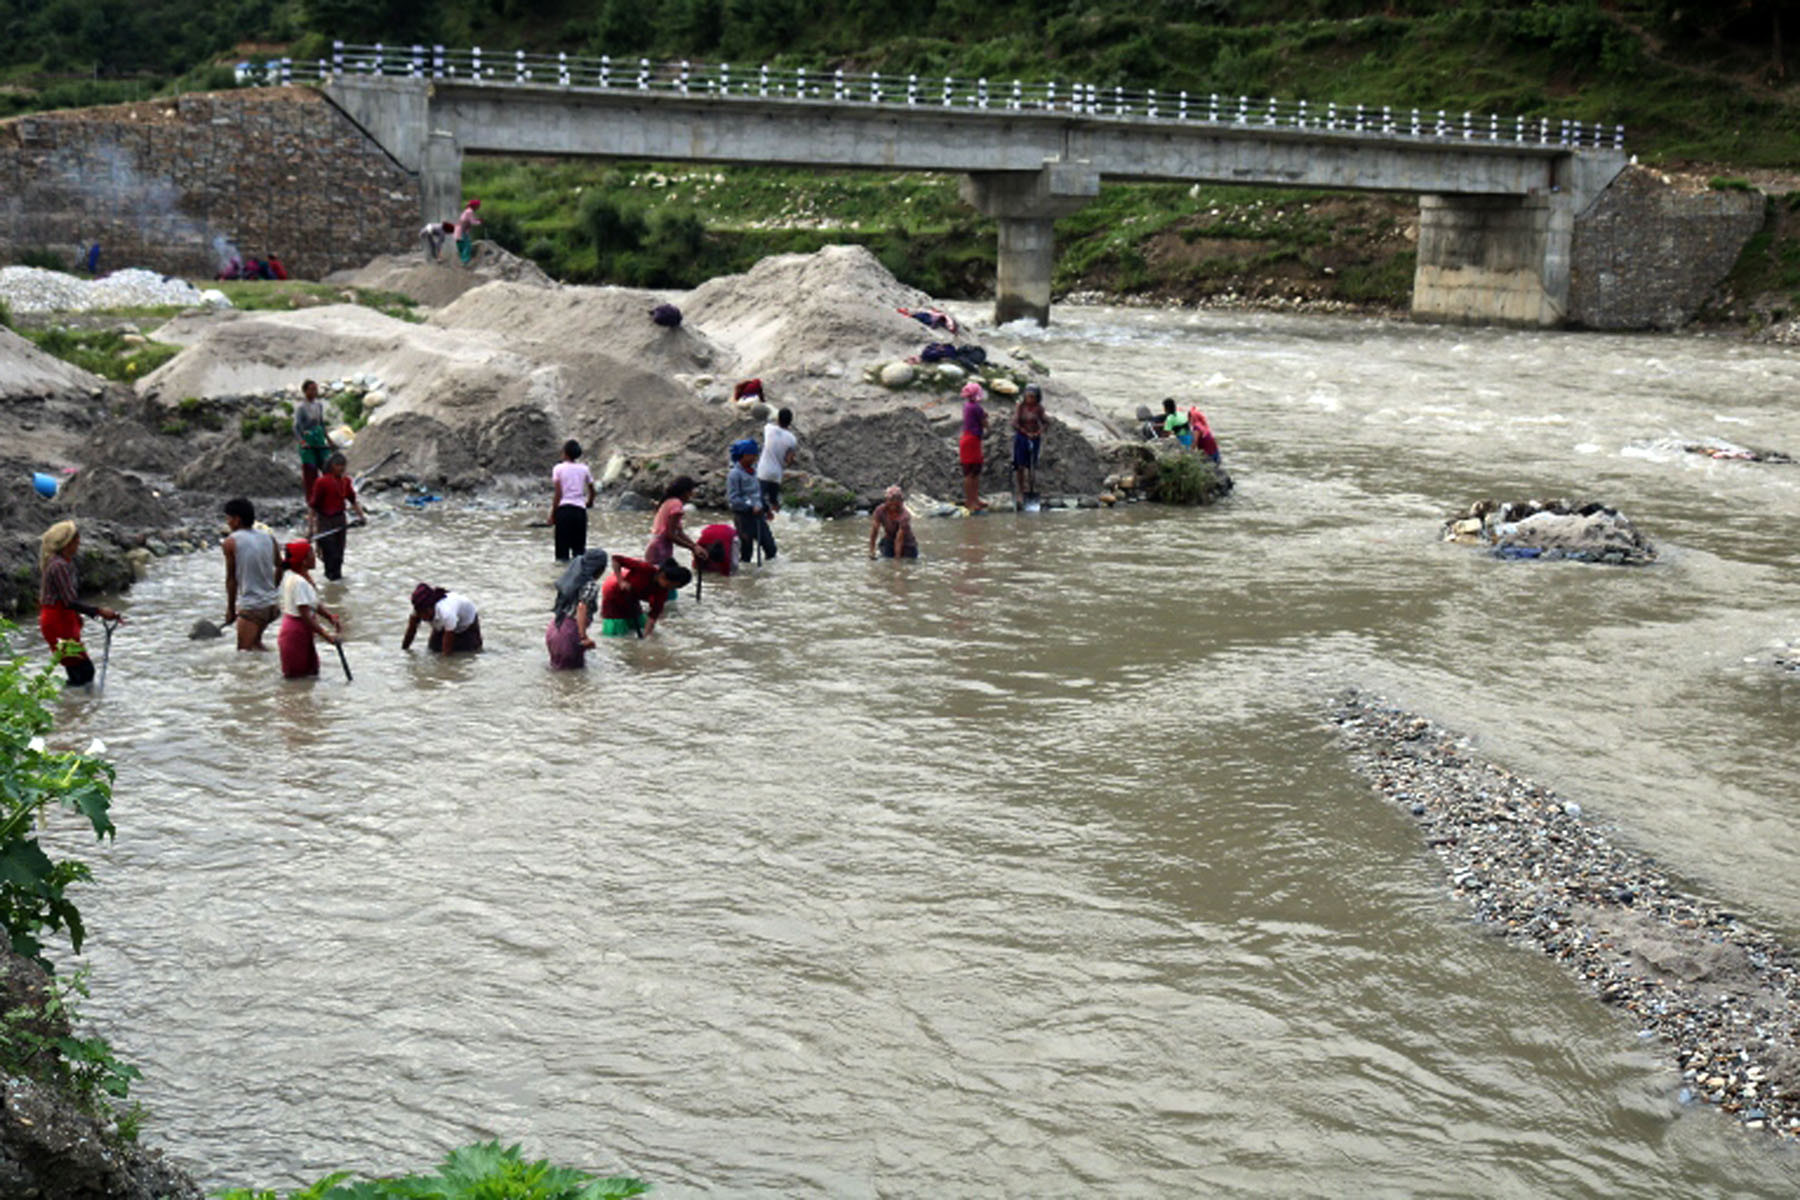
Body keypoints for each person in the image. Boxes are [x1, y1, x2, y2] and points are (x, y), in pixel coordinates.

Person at [37, 521, 123, 686]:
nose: (79, 545)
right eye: (77, 541)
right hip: (58, 621)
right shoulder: (59, 566)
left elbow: (63, 598)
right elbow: (69, 601)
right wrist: (99, 611)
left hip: (59, 618)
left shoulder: (59, 562)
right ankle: (75, 707)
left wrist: (77, 615)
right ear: (67, 543)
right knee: (84, 671)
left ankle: (71, 708)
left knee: (76, 671)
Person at [221, 497, 283, 651]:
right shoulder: (269, 537)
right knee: (256, 647)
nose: (227, 523)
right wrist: (272, 589)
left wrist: (230, 609)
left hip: (252, 608)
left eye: (228, 518)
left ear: (237, 520)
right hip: (272, 606)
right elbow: (281, 566)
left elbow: (231, 579)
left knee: (244, 656)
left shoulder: (230, 542)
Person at [277, 540, 340, 679]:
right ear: (303, 561)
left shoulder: (301, 578)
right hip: (295, 632)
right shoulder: (299, 582)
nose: (315, 557)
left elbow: (313, 603)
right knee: (297, 678)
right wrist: (326, 635)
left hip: (300, 630)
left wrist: (329, 617)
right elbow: (305, 615)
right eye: (311, 554)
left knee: (309, 674)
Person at [307, 452, 366, 582]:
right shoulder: (321, 482)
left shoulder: (346, 481)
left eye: (343, 465)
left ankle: (335, 585)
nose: (341, 468)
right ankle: (331, 579)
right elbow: (313, 506)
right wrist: (311, 529)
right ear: (331, 466)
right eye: (338, 465)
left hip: (340, 521)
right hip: (325, 522)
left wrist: (362, 517)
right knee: (330, 555)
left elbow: (353, 500)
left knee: (339, 556)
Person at [546, 548, 609, 669]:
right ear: (600, 569)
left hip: (554, 629)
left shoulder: (572, 581)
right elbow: (582, 607)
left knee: (557, 675)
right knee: (572, 679)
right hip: (568, 634)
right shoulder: (590, 585)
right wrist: (583, 637)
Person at [599, 556, 691, 638]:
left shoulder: (662, 592)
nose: (670, 589)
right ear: (662, 576)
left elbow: (652, 617)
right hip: (614, 588)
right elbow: (616, 559)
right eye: (670, 585)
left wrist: (645, 638)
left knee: (639, 624)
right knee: (618, 630)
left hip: (632, 595)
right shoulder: (645, 569)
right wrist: (621, 581)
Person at [727, 440, 777, 565]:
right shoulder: (734, 474)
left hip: (758, 516)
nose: (755, 457)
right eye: (752, 455)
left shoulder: (755, 471)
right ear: (743, 456)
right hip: (743, 518)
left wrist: (766, 509)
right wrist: (750, 507)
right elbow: (733, 499)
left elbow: (758, 493)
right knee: (746, 552)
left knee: (770, 548)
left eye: (755, 455)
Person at [549, 439, 597, 562]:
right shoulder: (584, 469)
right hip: (579, 512)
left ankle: (562, 577)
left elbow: (558, 494)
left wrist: (553, 514)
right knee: (579, 552)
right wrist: (589, 502)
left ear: (565, 453)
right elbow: (592, 490)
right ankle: (578, 577)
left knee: (562, 554)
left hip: (564, 512)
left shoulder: (558, 468)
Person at [402, 584, 483, 654]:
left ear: (432, 606)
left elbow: (447, 650)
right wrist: (404, 650)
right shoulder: (418, 610)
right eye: (420, 614)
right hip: (445, 623)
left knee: (470, 652)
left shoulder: (446, 612)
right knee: (433, 650)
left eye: (425, 613)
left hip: (467, 624)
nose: (423, 617)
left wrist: (445, 667)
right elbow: (411, 631)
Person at [645, 476, 702, 570]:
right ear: (685, 492)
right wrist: (692, 548)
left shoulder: (669, 501)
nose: (692, 494)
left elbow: (679, 532)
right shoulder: (677, 505)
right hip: (660, 549)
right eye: (691, 491)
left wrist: (695, 546)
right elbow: (670, 535)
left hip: (655, 546)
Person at [294, 380, 334, 499]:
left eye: (315, 389)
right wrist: (302, 442)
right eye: (311, 389)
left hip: (319, 439)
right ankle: (312, 501)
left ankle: (327, 495)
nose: (314, 392)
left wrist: (329, 439)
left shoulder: (318, 405)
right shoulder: (301, 408)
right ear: (305, 391)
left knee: (327, 467)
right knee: (310, 472)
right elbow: (296, 427)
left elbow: (321, 423)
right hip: (308, 442)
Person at [757, 407, 798, 514]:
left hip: (763, 472)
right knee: (773, 500)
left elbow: (767, 416)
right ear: (790, 421)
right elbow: (789, 460)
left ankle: (767, 514)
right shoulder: (792, 439)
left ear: (778, 419)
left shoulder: (769, 429)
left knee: (759, 497)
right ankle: (777, 516)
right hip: (776, 474)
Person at [1012, 383, 1047, 507]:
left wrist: (1038, 432)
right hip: (1022, 437)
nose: (1030, 399)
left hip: (1035, 438)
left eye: (1032, 397)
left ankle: (1031, 489)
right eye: (1028, 396)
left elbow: (1046, 422)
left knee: (1031, 466)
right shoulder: (1020, 407)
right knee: (1020, 465)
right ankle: (1021, 491)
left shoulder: (1039, 408)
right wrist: (1026, 432)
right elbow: (1015, 423)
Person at [958, 381, 989, 512]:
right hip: (973, 440)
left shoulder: (967, 406)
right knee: (972, 472)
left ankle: (973, 499)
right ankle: (971, 501)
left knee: (973, 471)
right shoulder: (977, 408)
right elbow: (985, 423)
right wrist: (986, 421)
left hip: (968, 439)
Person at [868, 486, 918, 559]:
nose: (894, 503)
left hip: (907, 544)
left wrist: (896, 561)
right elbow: (875, 530)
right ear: (886, 500)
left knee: (905, 562)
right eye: (891, 500)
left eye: (897, 499)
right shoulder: (880, 510)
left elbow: (899, 540)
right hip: (889, 540)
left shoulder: (905, 515)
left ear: (901, 501)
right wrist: (872, 550)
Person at [454, 198, 483, 265]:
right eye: (478, 205)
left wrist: (477, 221)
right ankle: (465, 262)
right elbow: (472, 222)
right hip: (462, 231)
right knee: (467, 246)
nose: (479, 207)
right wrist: (479, 222)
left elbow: (469, 220)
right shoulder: (470, 211)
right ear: (474, 206)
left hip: (459, 230)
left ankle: (462, 261)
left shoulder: (467, 211)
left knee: (463, 246)